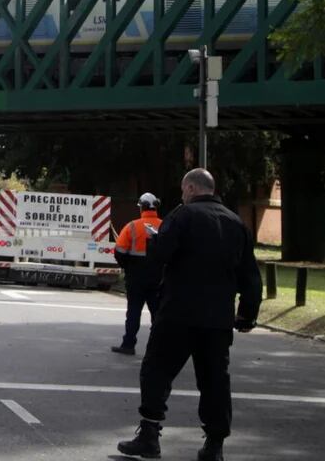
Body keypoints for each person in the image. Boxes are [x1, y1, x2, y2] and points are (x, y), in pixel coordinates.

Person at [117, 169, 261, 461]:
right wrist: (246, 315)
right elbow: (250, 276)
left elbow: (160, 255)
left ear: (192, 188)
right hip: (217, 319)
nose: (182, 195)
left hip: (178, 313)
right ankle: (214, 446)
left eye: (184, 190)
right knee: (215, 382)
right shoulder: (237, 224)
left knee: (157, 370)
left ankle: (149, 435)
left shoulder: (182, 217)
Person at [111, 192, 163, 355]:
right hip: (159, 279)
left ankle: (128, 344)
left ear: (141, 208)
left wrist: (128, 267)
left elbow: (119, 251)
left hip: (136, 278)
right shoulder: (165, 226)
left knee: (133, 312)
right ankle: (158, 348)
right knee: (158, 315)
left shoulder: (132, 226)